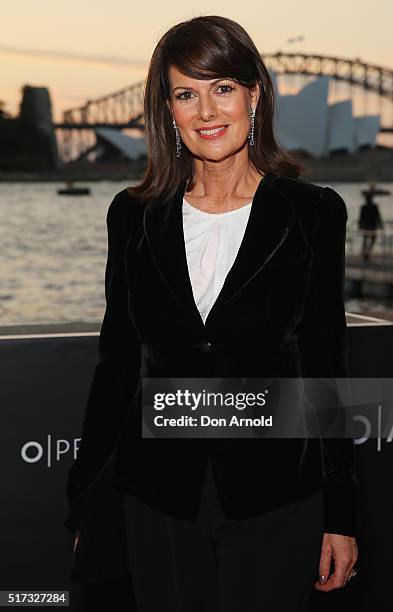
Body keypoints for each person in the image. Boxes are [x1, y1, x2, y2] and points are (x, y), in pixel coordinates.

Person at [65, 14, 358, 612]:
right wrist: (88, 500)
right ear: (167, 110)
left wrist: (341, 512)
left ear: (254, 93)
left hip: (277, 493)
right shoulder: (133, 214)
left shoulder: (313, 212)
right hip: (156, 494)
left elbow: (325, 364)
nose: (206, 111)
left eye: (222, 87)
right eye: (185, 93)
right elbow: (117, 364)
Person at [358, 192, 384, 261]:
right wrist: (380, 224)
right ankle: (367, 252)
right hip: (372, 225)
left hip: (367, 225)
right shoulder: (373, 206)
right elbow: (378, 216)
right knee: (371, 239)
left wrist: (360, 226)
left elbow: (361, 218)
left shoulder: (364, 207)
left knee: (366, 239)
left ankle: (365, 253)